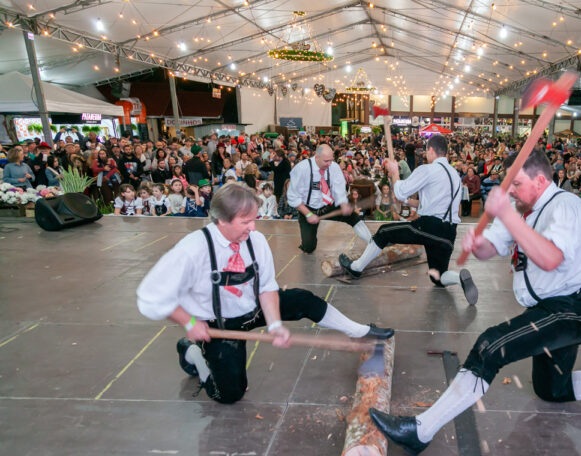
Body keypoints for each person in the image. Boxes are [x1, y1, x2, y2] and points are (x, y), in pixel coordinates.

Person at [368, 149, 581, 456]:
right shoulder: (521, 208)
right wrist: (478, 244)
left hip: (577, 307)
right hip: (549, 307)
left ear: (540, 180)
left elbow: (551, 257)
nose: (510, 190)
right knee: (553, 389)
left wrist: (510, 216)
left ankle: (420, 431)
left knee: (489, 346)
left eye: (517, 183)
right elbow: (493, 248)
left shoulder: (566, 206)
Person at [136, 183, 392, 404]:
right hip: (219, 324)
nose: (253, 227)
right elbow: (150, 296)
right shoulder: (193, 249)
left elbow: (267, 286)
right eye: (245, 221)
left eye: (254, 219)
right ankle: (193, 353)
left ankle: (359, 331)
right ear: (221, 220)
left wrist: (275, 324)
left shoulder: (255, 240)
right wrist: (189, 322)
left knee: (304, 300)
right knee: (230, 395)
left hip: (253, 307)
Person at [338, 135, 478, 305]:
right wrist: (408, 202)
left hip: (430, 226)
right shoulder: (455, 176)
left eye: (426, 151)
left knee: (383, 232)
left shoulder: (428, 169)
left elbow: (399, 192)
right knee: (438, 277)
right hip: (449, 231)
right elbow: (430, 204)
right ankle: (459, 279)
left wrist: (395, 172)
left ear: (431, 150)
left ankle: (356, 268)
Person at [286, 144, 372, 253]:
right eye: (326, 161)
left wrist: (343, 204)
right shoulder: (302, 169)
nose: (329, 164)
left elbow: (338, 189)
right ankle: (307, 243)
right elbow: (293, 196)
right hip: (308, 208)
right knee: (309, 248)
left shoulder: (334, 167)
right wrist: (308, 214)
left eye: (331, 160)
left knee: (353, 217)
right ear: (317, 158)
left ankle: (372, 242)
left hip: (328, 205)